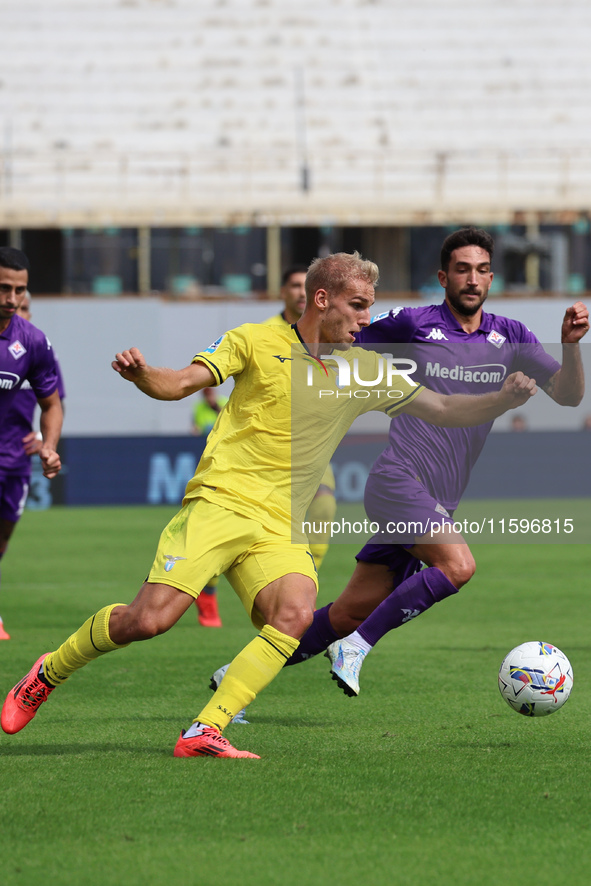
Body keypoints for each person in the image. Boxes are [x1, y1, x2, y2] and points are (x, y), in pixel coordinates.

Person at [1, 251, 535, 759]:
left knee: (295, 613)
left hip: (279, 526)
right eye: (357, 305)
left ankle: (206, 728)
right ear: (321, 299)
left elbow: (442, 406)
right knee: (149, 620)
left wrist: (502, 400)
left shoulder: (363, 368)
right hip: (221, 503)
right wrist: (144, 375)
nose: (366, 318)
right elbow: (183, 383)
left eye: (370, 306)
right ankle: (48, 672)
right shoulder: (253, 340)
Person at [280, 228, 589, 698]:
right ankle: (357, 648)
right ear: (443, 277)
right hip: (398, 480)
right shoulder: (412, 324)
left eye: (482, 270)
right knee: (458, 566)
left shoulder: (512, 338)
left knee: (345, 613)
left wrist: (570, 346)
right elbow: (343, 330)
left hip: (438, 499)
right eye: (462, 269)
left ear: (491, 278)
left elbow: (568, 397)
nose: (472, 279)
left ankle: (235, 676)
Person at [198, 266, 335, 632]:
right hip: (260, 453)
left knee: (324, 508)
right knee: (226, 530)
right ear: (286, 292)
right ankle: (207, 589)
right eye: (294, 285)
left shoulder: (334, 337)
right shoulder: (267, 334)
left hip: (309, 449)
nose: (300, 293)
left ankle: (295, 586)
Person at [0, 250, 63, 640]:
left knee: (3, 538)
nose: (11, 298)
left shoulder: (33, 342)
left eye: (19, 290)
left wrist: (49, 444)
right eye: (4, 287)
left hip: (11, 462)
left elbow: (52, 403)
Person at [191, 387, 229, 627]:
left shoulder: (224, 402)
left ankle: (206, 595)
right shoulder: (198, 409)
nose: (208, 396)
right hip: (215, 468)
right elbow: (197, 430)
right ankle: (205, 596)